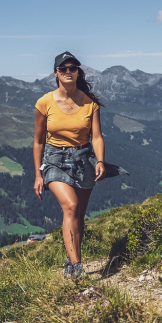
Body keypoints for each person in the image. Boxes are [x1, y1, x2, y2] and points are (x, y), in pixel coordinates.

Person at [33, 51, 106, 279]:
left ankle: (71, 257)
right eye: (62, 69)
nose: (67, 72)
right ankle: (76, 268)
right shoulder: (44, 102)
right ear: (56, 73)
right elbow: (38, 141)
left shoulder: (89, 103)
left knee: (79, 216)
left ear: (77, 71)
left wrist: (100, 160)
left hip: (83, 159)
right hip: (54, 161)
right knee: (71, 207)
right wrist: (38, 175)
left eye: (72, 68)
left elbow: (96, 136)